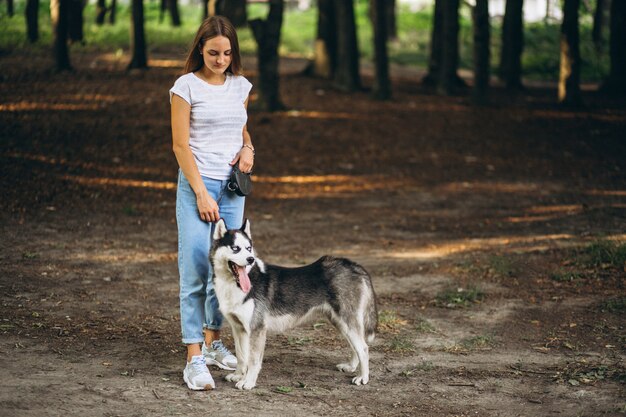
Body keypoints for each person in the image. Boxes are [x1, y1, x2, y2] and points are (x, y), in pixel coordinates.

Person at [169, 15, 254, 391]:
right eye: (213, 52)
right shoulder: (185, 87)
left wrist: (249, 147)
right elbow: (180, 144)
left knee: (226, 271)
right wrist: (201, 191)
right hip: (197, 186)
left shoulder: (240, 86)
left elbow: (239, 126)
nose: (221, 59)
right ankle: (193, 358)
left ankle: (212, 341)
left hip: (233, 189)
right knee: (195, 270)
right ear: (200, 49)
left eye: (227, 53)